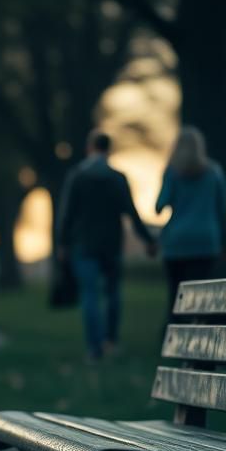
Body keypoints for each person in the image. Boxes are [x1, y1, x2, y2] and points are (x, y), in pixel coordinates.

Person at [57, 130, 156, 361]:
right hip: (111, 244)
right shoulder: (117, 178)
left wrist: (62, 243)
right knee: (113, 293)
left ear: (89, 148)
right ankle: (111, 341)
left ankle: (94, 348)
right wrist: (148, 240)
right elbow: (131, 212)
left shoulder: (77, 176)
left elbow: (67, 213)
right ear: (108, 149)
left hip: (84, 244)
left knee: (90, 295)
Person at [155, 126, 226, 322]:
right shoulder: (214, 172)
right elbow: (222, 211)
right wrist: (224, 244)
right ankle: (199, 330)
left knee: (176, 296)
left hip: (176, 242)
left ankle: (174, 333)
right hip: (206, 241)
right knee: (201, 295)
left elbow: (159, 206)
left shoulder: (172, 172)